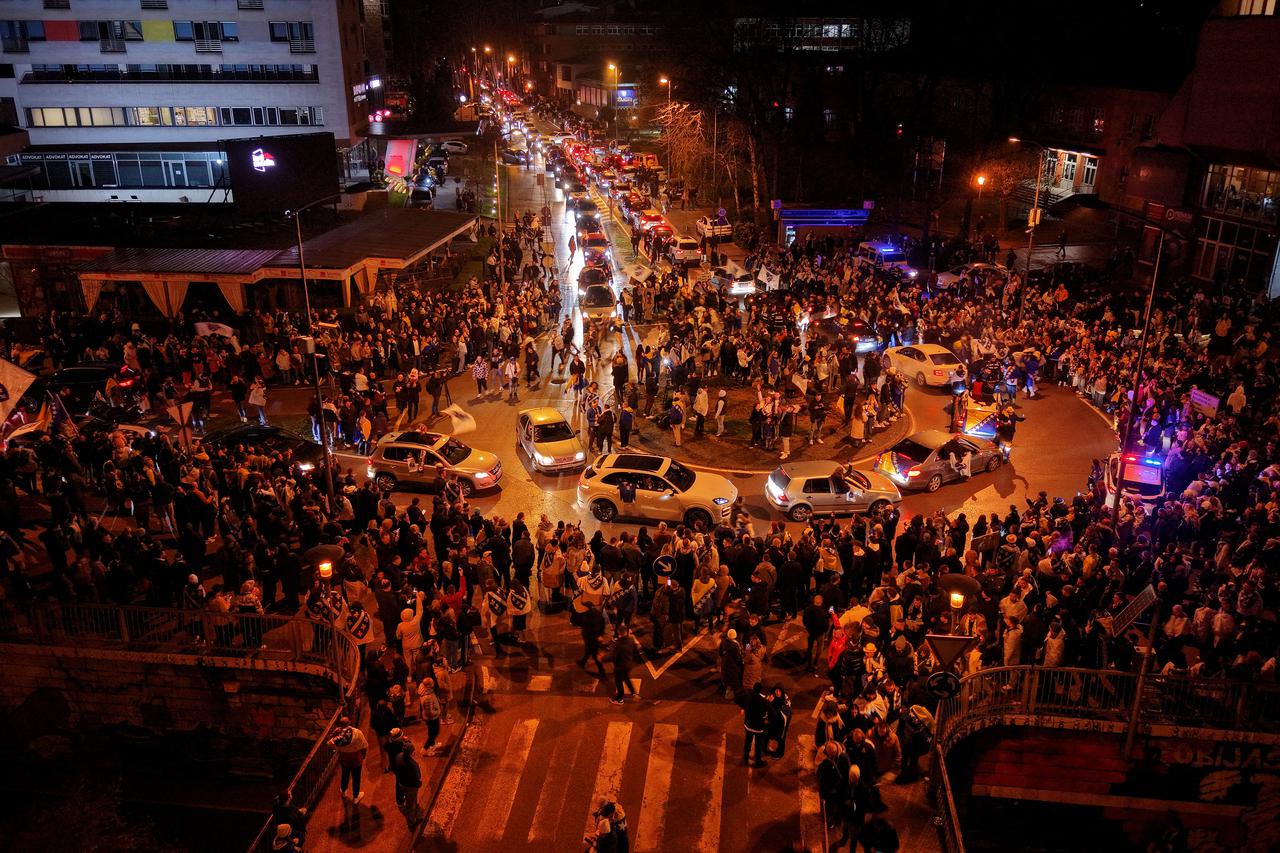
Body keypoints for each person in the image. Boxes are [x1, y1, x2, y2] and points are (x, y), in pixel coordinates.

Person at [328, 716, 369, 804]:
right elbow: (364, 745)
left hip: (344, 759)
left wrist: (334, 734)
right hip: (356, 759)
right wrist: (363, 756)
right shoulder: (357, 732)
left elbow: (331, 743)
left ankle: (343, 792)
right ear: (349, 722)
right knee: (356, 778)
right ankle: (355, 797)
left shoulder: (338, 736)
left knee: (345, 775)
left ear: (340, 725)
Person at [742, 681, 771, 767]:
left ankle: (745, 757)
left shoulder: (748, 697)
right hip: (758, 728)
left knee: (748, 742)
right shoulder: (763, 700)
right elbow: (771, 710)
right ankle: (758, 762)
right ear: (760, 690)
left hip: (748, 725)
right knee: (758, 745)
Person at [610, 624, 639, 705]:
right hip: (628, 664)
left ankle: (619, 699)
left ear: (619, 633)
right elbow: (635, 650)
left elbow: (613, 656)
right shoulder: (631, 640)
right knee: (626, 678)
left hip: (620, 667)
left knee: (618, 682)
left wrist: (602, 658)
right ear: (626, 632)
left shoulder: (618, 644)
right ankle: (634, 693)